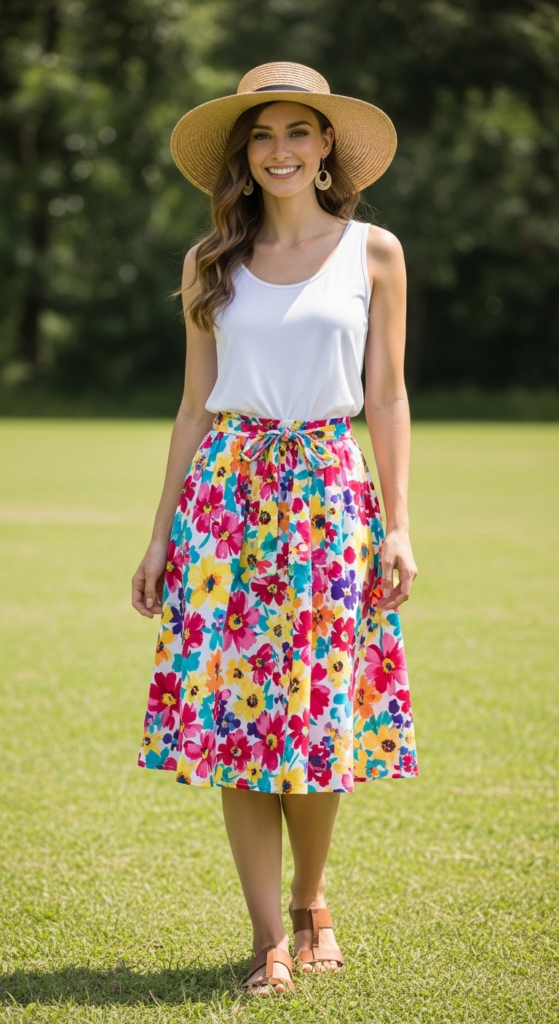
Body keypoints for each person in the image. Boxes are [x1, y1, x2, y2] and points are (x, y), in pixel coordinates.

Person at [132, 61, 419, 997]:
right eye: (262, 136)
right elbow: (190, 408)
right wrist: (159, 534)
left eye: (298, 131)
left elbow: (385, 393)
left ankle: (312, 898)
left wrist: (398, 524)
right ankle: (268, 940)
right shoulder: (209, 259)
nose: (281, 151)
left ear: (326, 144)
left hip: (331, 499)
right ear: (242, 156)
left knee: (316, 713)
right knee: (236, 720)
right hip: (226, 504)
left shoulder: (374, 251)